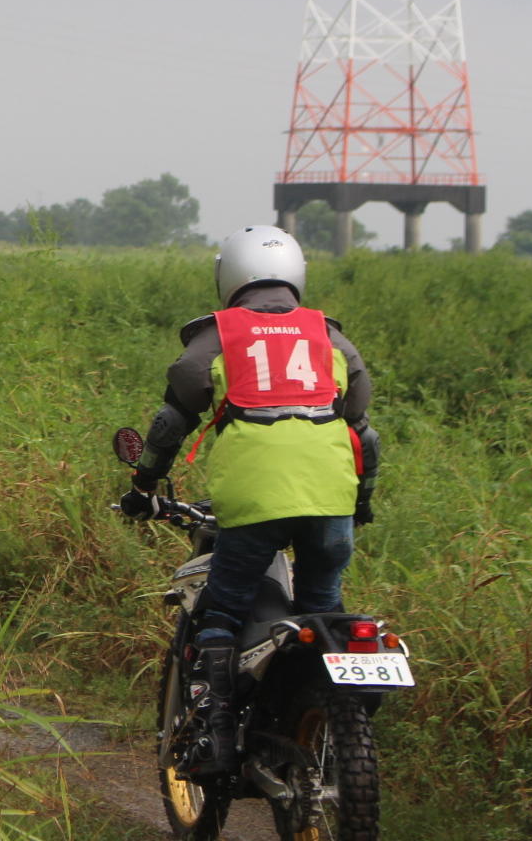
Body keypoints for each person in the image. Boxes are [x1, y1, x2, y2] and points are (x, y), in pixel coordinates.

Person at [120, 223, 379, 774]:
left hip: (253, 498)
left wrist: (143, 485)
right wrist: (361, 502)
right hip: (332, 497)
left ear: (229, 276)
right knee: (323, 609)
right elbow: (364, 432)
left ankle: (213, 728)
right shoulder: (330, 337)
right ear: (297, 275)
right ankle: (313, 716)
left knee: (224, 604)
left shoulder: (219, 335)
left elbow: (171, 420)